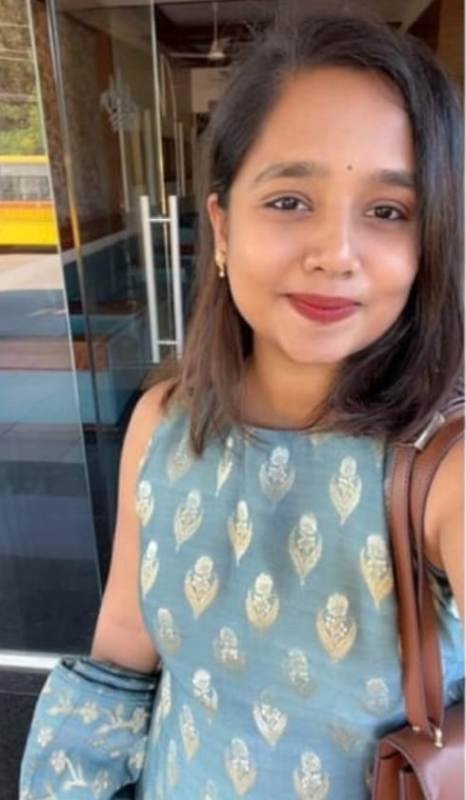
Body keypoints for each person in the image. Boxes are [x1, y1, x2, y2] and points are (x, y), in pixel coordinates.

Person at [20, 8, 464, 800]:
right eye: (290, 200)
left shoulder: (445, 469)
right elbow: (123, 649)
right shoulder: (165, 422)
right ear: (222, 227)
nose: (336, 254)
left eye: (388, 211)